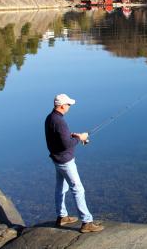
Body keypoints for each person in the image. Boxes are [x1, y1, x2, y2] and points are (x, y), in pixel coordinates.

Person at [44, 93, 104, 233]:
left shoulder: (50, 118)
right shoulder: (60, 121)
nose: (69, 107)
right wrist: (80, 138)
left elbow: (59, 137)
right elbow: (66, 144)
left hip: (57, 159)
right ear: (62, 106)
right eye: (68, 105)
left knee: (61, 188)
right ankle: (87, 222)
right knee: (78, 189)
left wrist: (73, 135)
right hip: (65, 161)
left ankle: (62, 216)